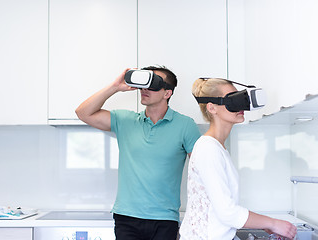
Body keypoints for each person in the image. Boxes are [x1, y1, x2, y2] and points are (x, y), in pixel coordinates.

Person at [75, 66, 201, 240]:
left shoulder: (185, 125)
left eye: (154, 84)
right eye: (144, 83)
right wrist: (115, 86)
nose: (145, 89)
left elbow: (202, 170)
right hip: (126, 218)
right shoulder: (125, 121)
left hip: (164, 219)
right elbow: (83, 113)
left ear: (167, 93)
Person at [179, 78, 297, 240]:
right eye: (232, 100)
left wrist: (263, 223)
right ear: (212, 108)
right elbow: (227, 212)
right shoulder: (208, 148)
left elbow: (225, 208)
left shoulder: (217, 147)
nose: (241, 107)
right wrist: (273, 223)